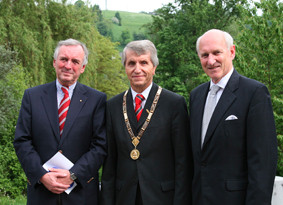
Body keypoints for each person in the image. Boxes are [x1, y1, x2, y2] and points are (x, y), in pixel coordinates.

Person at [189, 29, 277, 205]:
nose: (211, 60)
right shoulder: (196, 95)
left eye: (216, 52)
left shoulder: (254, 93)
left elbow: (263, 163)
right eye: (204, 55)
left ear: (232, 52)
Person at [14, 39, 107, 205]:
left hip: (81, 195)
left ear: (83, 67)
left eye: (75, 61)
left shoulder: (97, 100)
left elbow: (100, 145)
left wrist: (73, 174)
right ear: (54, 62)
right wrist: (42, 175)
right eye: (64, 59)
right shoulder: (32, 96)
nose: (68, 66)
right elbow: (22, 141)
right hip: (41, 194)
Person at [99, 40, 193, 205]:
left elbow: (183, 162)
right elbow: (110, 164)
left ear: (154, 67)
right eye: (131, 63)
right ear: (125, 68)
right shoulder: (112, 106)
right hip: (124, 197)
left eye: (143, 62)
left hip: (162, 197)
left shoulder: (174, 104)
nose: (137, 69)